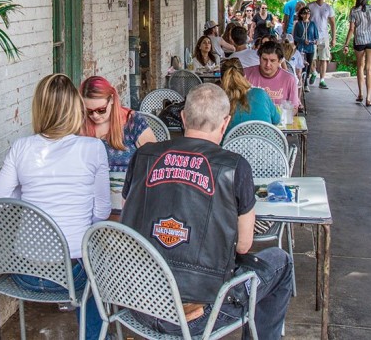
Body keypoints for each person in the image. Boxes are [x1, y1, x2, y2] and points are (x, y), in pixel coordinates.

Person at [121, 84, 293, 340]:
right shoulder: (235, 167)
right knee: (281, 263)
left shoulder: (144, 155)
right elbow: (244, 245)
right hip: (197, 316)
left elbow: (127, 223)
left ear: (182, 118)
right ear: (225, 123)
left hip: (137, 302)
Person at [0, 73, 108, 340]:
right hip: (74, 273)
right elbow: (101, 211)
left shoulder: (21, 148)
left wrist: (25, 193)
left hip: (25, 271)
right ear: (76, 109)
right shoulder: (93, 148)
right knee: (97, 273)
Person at [80, 75, 155, 172]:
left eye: (101, 110)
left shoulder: (132, 122)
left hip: (129, 184)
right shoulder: (79, 123)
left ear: (111, 99)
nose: (95, 116)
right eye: (89, 111)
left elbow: (154, 159)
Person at [219, 58, 281, 134]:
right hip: (265, 144)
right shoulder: (261, 94)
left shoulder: (218, 101)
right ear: (245, 77)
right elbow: (277, 120)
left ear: (221, 81)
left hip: (229, 145)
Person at [343, 0, 371, 107]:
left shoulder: (354, 11)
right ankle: (369, 97)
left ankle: (360, 94)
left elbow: (351, 29)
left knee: (360, 66)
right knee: (370, 68)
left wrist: (346, 44)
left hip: (359, 41)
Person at [245, 42, 300, 111]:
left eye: (272, 61)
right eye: (264, 59)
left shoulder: (290, 79)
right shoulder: (245, 74)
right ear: (259, 58)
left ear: (279, 61)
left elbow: (294, 108)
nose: (268, 64)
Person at [307, 0, 337, 89]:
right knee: (311, 58)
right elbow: (305, 20)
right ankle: (314, 72)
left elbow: (333, 24)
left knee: (324, 58)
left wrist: (333, 38)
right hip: (312, 36)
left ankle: (322, 80)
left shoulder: (328, 8)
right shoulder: (310, 6)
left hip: (324, 36)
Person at [292, 3, 318, 94]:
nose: (307, 15)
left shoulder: (312, 24)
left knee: (309, 64)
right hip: (301, 47)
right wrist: (303, 41)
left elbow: (316, 35)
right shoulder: (298, 24)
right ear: (301, 15)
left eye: (308, 13)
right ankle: (303, 82)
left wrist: (315, 41)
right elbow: (295, 37)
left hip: (310, 47)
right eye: (305, 13)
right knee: (302, 65)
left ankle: (306, 81)